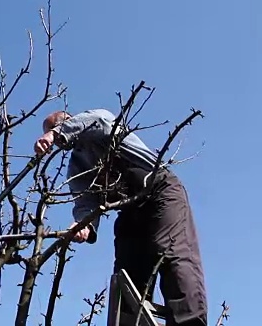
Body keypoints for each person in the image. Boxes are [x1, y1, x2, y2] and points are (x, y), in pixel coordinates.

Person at [34, 109, 207, 326]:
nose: (57, 139)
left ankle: (188, 321)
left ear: (69, 121)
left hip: (160, 191)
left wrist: (55, 133)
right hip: (129, 208)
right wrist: (84, 224)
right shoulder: (76, 166)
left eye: (54, 128)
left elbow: (100, 120)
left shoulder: (97, 123)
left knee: (169, 252)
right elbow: (85, 201)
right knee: (125, 273)